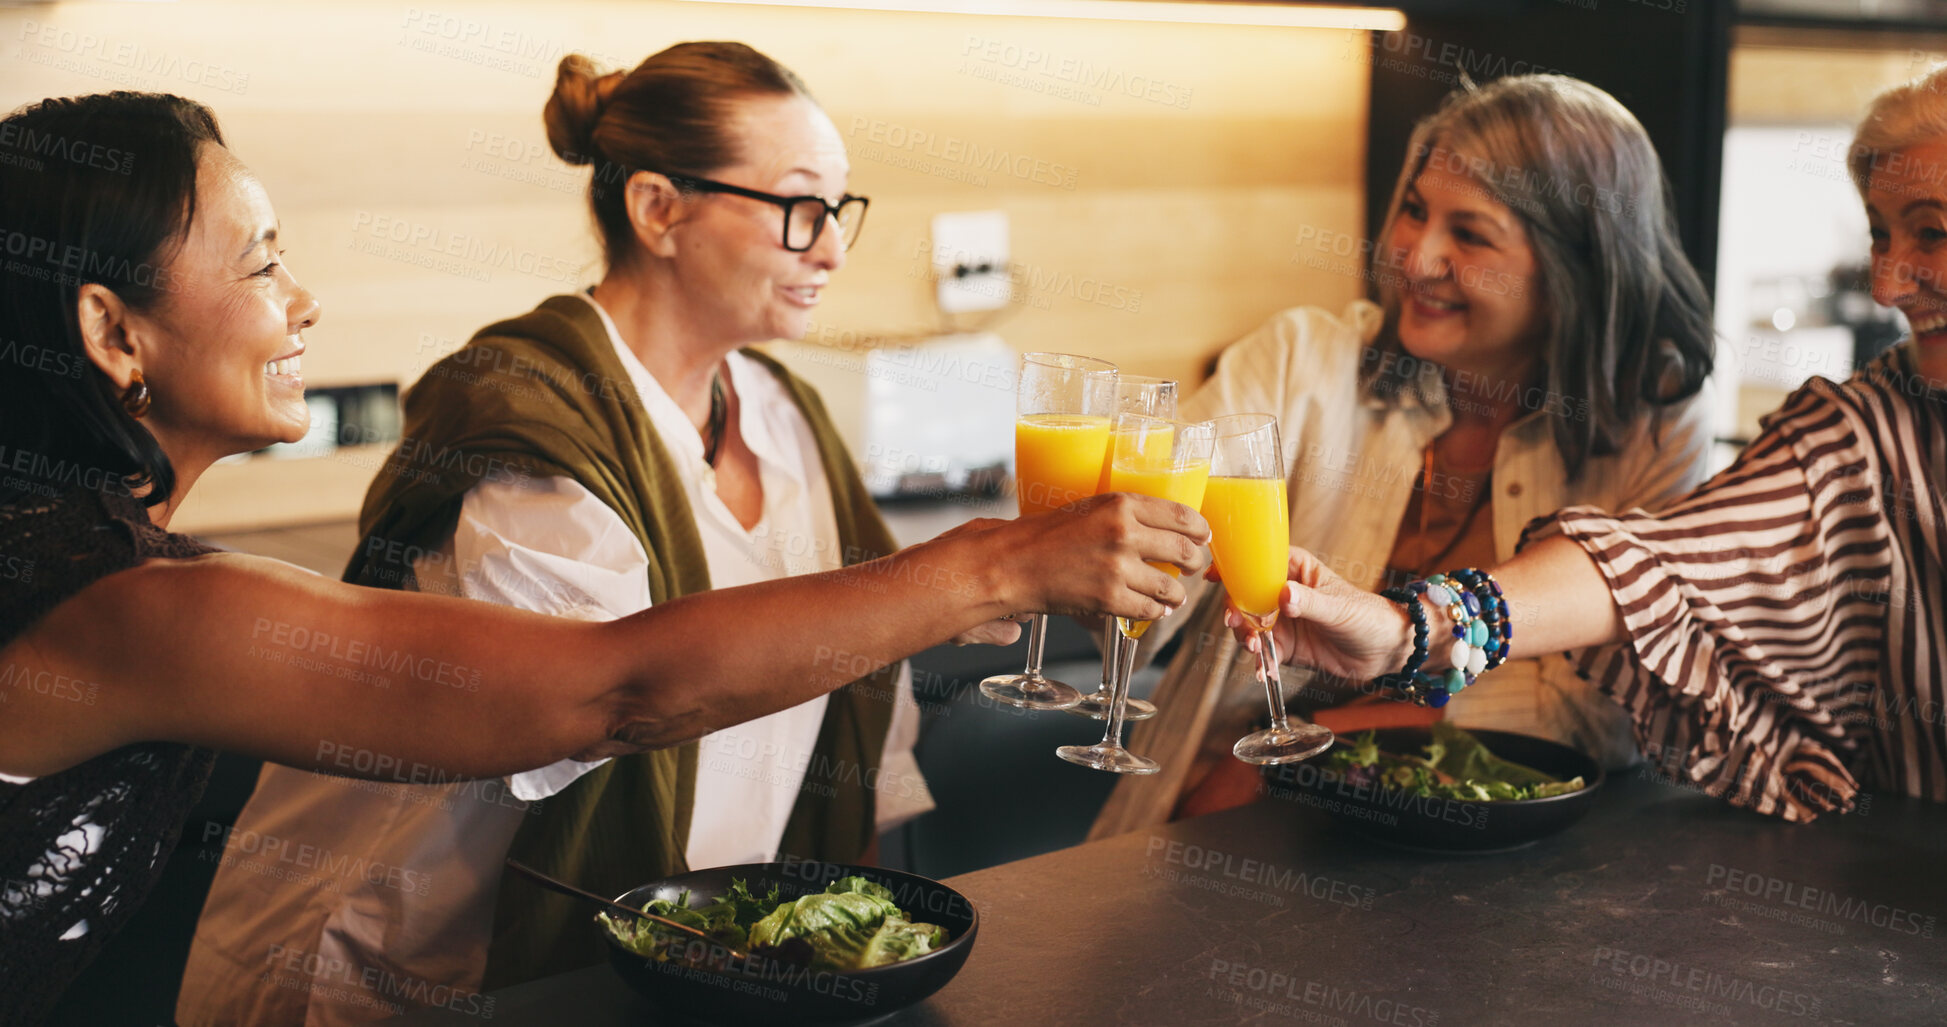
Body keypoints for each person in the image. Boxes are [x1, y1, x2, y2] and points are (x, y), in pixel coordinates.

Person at [0, 90, 1207, 1025]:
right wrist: (994, 566)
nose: (303, 301)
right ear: (111, 331)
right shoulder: (134, 610)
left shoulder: (85, 556)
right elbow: (611, 689)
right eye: (263, 263)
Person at [178, 43, 947, 1023]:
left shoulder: (788, 415)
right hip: (395, 968)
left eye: (838, 210)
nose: (831, 248)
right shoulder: (531, 424)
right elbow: (616, 701)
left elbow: (855, 699)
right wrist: (969, 576)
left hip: (659, 970)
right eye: (798, 207)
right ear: (658, 209)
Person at [1237, 66, 1947, 821]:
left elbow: (1587, 713)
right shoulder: (1857, 435)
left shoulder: (1656, 406)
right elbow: (1657, 564)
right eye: (1879, 234)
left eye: (1932, 233)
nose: (1885, 285)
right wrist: (1410, 631)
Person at [1089, 74, 1716, 839]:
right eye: (1415, 211)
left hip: (1494, 863)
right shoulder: (1298, 362)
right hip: (1221, 834)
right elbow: (1141, 573)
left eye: (1469, 234)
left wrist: (1310, 741)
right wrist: (1095, 549)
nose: (1416, 259)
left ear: (1576, 265)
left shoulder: (1655, 419)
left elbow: (1604, 714)